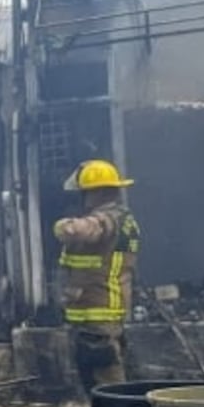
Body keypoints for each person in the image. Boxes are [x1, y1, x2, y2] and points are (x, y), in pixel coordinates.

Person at [53, 160, 140, 393]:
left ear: (97, 193)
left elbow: (80, 230)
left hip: (99, 310)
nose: (83, 199)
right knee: (98, 372)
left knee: (106, 376)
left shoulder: (106, 220)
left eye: (85, 193)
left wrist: (63, 225)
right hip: (104, 307)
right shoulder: (124, 218)